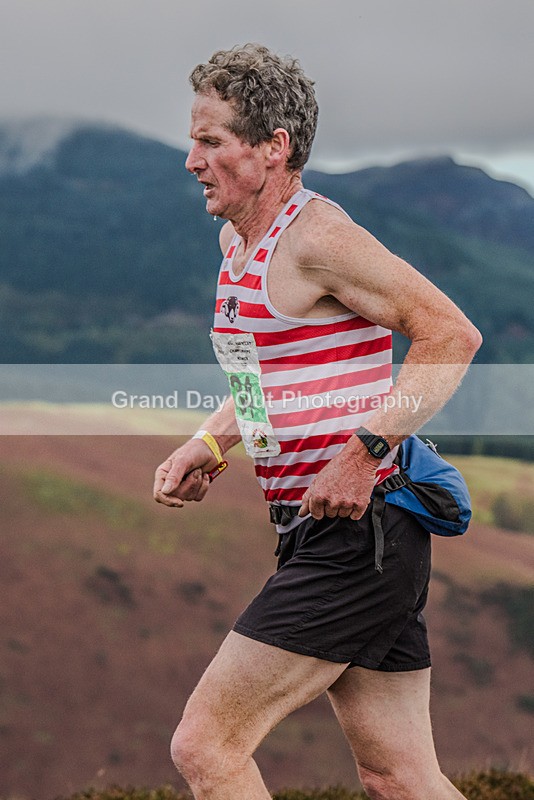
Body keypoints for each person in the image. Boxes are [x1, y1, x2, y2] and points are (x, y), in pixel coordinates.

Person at [153, 43, 482, 800]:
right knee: (399, 778)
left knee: (206, 747)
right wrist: (208, 442)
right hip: (331, 532)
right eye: (192, 138)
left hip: (361, 534)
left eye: (210, 140)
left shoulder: (318, 238)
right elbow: (263, 379)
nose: (191, 158)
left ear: (274, 148)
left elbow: (450, 334)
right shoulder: (234, 244)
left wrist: (366, 451)